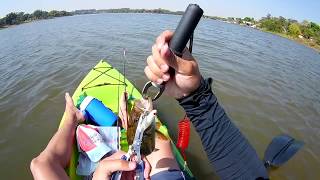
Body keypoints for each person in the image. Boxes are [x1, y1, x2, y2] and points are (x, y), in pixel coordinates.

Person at [30, 30, 269, 180]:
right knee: (153, 135)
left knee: (138, 124)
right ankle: (129, 116)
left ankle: (80, 118)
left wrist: (101, 172)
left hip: (121, 166)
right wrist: (196, 98)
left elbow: (41, 164)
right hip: (158, 172)